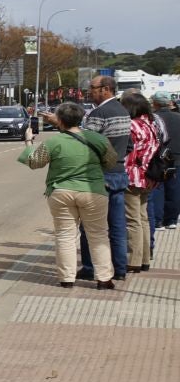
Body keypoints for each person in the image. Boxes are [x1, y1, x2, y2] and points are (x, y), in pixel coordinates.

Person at [18, 103, 114, 289]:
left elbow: (34, 163)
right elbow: (110, 162)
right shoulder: (98, 139)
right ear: (81, 118)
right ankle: (103, 278)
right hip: (93, 190)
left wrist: (29, 141)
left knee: (65, 235)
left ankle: (67, 278)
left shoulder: (53, 142)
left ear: (59, 121)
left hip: (61, 191)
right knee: (98, 235)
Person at [78, 76, 131, 283]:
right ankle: (120, 268)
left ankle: (90, 267)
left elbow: (85, 144)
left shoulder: (99, 113)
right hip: (118, 172)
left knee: (91, 225)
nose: (88, 91)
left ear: (106, 89)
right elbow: (129, 145)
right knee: (117, 224)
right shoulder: (123, 111)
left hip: (99, 175)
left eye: (92, 88)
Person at [122, 91, 159, 273]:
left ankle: (133, 260)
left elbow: (130, 154)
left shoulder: (132, 125)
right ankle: (145, 258)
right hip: (149, 176)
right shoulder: (150, 124)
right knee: (143, 218)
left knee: (132, 220)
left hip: (133, 176)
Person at [153, 93, 180, 230]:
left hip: (159, 158)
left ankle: (158, 220)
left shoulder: (153, 119)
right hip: (177, 158)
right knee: (175, 189)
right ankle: (171, 220)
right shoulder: (178, 117)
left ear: (155, 103)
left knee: (158, 188)